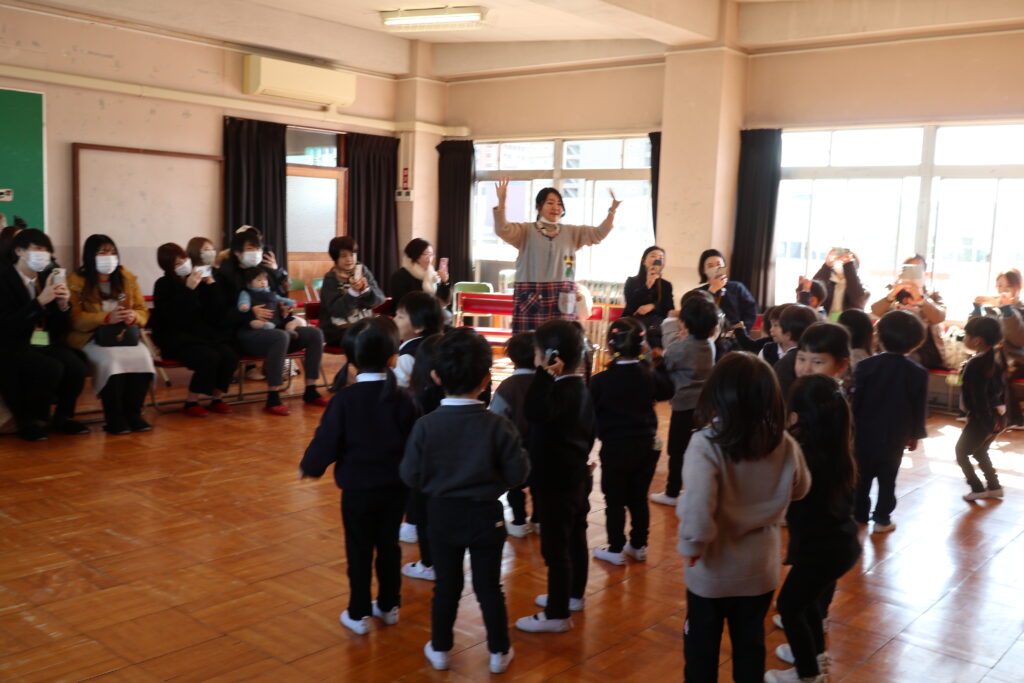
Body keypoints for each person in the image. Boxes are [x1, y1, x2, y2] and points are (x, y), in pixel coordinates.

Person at [401, 328, 529, 675]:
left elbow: (410, 475)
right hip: (487, 515)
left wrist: (436, 484)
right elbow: (518, 473)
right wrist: (493, 485)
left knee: (447, 586)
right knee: (489, 587)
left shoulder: (425, 426)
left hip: (441, 516)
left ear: (436, 376)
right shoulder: (498, 426)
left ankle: (441, 648)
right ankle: (499, 651)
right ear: (487, 379)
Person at [677, 352, 811, 683]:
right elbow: (801, 488)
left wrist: (692, 544)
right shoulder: (783, 442)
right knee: (750, 645)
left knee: (701, 648)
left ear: (716, 394)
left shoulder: (705, 442)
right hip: (760, 569)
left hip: (711, 567)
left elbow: (698, 504)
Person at [299, 317, 421, 636]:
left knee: (359, 550)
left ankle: (358, 612)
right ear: (393, 358)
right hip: (396, 490)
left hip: (357, 491)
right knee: (389, 546)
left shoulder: (344, 400)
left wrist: (310, 467)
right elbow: (417, 444)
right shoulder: (405, 398)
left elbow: (327, 441)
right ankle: (389, 606)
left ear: (350, 360)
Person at [766, 375, 861, 683]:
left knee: (789, 606)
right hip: (840, 545)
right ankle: (815, 657)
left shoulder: (801, 452)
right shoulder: (836, 447)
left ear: (795, 416)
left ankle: (806, 673)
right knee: (807, 604)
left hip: (820, 550)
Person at [515, 320, 596, 633]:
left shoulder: (557, 391)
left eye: (539, 353)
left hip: (554, 481)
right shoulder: (580, 388)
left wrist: (543, 374)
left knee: (555, 547)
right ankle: (572, 595)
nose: (536, 358)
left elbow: (533, 411)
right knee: (575, 537)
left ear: (552, 357)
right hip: (576, 476)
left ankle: (557, 613)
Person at [216, 227, 327, 415]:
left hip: (275, 328)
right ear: (237, 253)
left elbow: (277, 298)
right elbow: (222, 314)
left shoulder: (264, 272)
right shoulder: (226, 277)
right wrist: (249, 313)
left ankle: (311, 390)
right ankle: (273, 397)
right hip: (245, 334)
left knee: (314, 333)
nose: (256, 253)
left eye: (258, 249)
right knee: (280, 337)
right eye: (250, 249)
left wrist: (283, 309)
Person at [589, 318, 673, 564]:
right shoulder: (649, 374)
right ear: (643, 346)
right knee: (638, 497)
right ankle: (638, 545)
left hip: (615, 447)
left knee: (614, 499)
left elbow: (590, 413)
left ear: (609, 346)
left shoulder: (600, 381)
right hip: (647, 446)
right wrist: (659, 363)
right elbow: (668, 391)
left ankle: (615, 548)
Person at [493, 178, 621, 333]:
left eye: (559, 204)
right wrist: (502, 202)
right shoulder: (525, 231)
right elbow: (502, 229)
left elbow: (599, 233)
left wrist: (612, 210)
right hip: (531, 298)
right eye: (550, 203)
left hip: (562, 298)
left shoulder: (572, 232)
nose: (556, 207)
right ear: (539, 206)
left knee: (561, 341)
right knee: (528, 342)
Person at [0, 228, 89, 440]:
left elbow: (59, 326)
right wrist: (39, 302)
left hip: (44, 340)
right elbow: (7, 325)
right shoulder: (4, 278)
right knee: (48, 367)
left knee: (76, 365)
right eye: (37, 249)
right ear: (19, 251)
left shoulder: (47, 277)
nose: (43, 255)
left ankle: (63, 417)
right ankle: (29, 420)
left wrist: (63, 305)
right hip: (12, 343)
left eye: (46, 250)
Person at [67, 234, 155, 435]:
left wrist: (134, 316)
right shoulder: (77, 281)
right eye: (102, 252)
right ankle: (114, 417)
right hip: (91, 338)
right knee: (112, 360)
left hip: (125, 336)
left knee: (142, 356)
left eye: (112, 252)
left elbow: (143, 310)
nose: (109, 256)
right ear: (90, 255)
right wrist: (105, 318)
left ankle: (133, 414)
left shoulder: (126, 278)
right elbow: (75, 319)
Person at [851, 310, 928, 533]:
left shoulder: (865, 366)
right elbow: (919, 408)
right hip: (895, 436)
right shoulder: (918, 373)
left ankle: (859, 514)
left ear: (879, 336)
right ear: (916, 342)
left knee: (861, 478)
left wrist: (850, 429)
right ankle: (882, 519)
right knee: (888, 480)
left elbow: (856, 402)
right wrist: (916, 435)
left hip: (864, 433)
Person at [151, 242, 238, 417]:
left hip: (200, 335)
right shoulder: (163, 284)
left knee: (230, 354)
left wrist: (211, 285)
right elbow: (172, 316)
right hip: (175, 339)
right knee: (209, 357)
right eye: (177, 263)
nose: (183, 264)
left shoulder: (197, 278)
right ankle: (191, 401)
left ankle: (217, 398)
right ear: (167, 266)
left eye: (184, 259)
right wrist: (188, 289)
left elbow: (215, 310)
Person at [650, 296, 719, 506]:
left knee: (677, 451)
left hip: (683, 406)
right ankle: (691, 490)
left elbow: (667, 362)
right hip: (704, 406)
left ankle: (672, 493)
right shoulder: (710, 345)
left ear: (685, 323)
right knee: (696, 449)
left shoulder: (682, 347)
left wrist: (660, 354)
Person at [490, 332, 539, 537]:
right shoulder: (547, 383)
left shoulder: (507, 387)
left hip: (515, 449)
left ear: (511, 357)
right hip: (542, 448)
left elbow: (497, 417)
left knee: (515, 488)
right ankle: (538, 520)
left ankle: (519, 521)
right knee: (539, 487)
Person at [956, 317, 1006, 501]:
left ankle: (977, 488)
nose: (964, 338)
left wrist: (986, 424)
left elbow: (979, 398)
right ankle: (994, 487)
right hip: (996, 417)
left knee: (961, 452)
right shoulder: (993, 361)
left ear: (977, 340)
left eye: (966, 335)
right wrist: (996, 421)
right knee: (979, 451)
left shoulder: (976, 364)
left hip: (983, 419)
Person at [872, 254, 947, 369]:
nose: (912, 274)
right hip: (892, 342)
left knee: (906, 360)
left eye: (917, 270)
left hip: (923, 348)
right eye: (908, 269)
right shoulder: (893, 292)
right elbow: (875, 310)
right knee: (885, 358)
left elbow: (939, 317)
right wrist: (891, 295)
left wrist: (921, 299)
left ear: (925, 274)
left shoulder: (933, 294)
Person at [975, 269, 1024, 428]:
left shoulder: (1020, 309)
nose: (1002, 290)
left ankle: (1014, 418)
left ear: (1017, 288)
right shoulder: (992, 310)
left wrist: (1008, 311)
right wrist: (977, 310)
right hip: (997, 358)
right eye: (999, 286)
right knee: (976, 368)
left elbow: (1018, 339)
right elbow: (977, 334)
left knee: (1000, 374)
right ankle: (977, 412)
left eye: (1007, 287)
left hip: (1017, 360)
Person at [319, 235, 385, 346]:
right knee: (368, 337)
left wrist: (366, 291)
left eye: (352, 254)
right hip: (337, 330)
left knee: (386, 331)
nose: (349, 259)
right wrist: (353, 293)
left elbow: (380, 299)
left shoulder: (363, 271)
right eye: (344, 256)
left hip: (363, 323)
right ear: (336, 258)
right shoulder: (331, 278)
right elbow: (336, 311)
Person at [623, 246, 675, 350]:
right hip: (634, 327)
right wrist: (647, 285)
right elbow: (630, 306)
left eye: (661, 258)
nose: (657, 259)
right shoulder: (631, 281)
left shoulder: (666, 285)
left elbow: (669, 309)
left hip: (656, 330)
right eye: (653, 256)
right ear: (643, 261)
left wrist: (653, 306)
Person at [393, 291, 444, 390]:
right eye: (396, 315)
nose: (394, 320)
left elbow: (395, 389)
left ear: (419, 326)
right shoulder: (437, 346)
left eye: (400, 317)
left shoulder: (406, 358)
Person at [696, 249, 758, 329]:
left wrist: (741, 329)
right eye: (710, 266)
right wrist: (712, 290)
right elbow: (696, 317)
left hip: (736, 334)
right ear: (703, 270)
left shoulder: (737, 287)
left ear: (724, 267)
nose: (715, 268)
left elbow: (751, 311)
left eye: (719, 264)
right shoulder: (697, 293)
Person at [389, 238, 450, 317]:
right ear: (415, 255)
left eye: (431, 255)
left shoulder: (432, 275)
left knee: (448, 316)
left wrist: (445, 282)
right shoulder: (400, 276)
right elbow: (403, 304)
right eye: (426, 254)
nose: (429, 258)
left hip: (431, 316)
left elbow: (444, 302)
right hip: (409, 317)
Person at [237, 268, 306, 333]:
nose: (263, 282)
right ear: (249, 284)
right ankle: (266, 326)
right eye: (259, 280)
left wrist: (290, 302)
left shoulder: (271, 293)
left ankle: (290, 330)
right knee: (253, 323)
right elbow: (244, 300)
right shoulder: (247, 293)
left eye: (265, 280)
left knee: (296, 321)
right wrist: (244, 306)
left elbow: (281, 299)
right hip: (261, 320)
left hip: (277, 318)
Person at [773, 305, 820, 400]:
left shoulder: (785, 363)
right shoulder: (820, 355)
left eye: (777, 326)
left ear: (787, 335)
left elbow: (781, 398)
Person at [809, 248, 869, 317]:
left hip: (847, 320)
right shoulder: (826, 279)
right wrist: (827, 266)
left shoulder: (860, 285)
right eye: (838, 259)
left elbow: (857, 299)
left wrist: (848, 265)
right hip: (825, 318)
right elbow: (814, 289)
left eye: (846, 262)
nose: (841, 262)